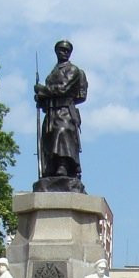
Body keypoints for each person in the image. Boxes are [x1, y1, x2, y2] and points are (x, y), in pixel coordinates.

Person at [34, 40, 87, 182]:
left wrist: (42, 90)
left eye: (67, 50)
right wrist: (41, 100)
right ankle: (52, 166)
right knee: (48, 137)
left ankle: (63, 165)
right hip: (51, 112)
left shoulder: (73, 70)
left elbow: (63, 88)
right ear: (56, 51)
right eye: (61, 50)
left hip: (65, 111)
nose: (64, 52)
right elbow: (51, 93)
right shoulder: (53, 72)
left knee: (62, 132)